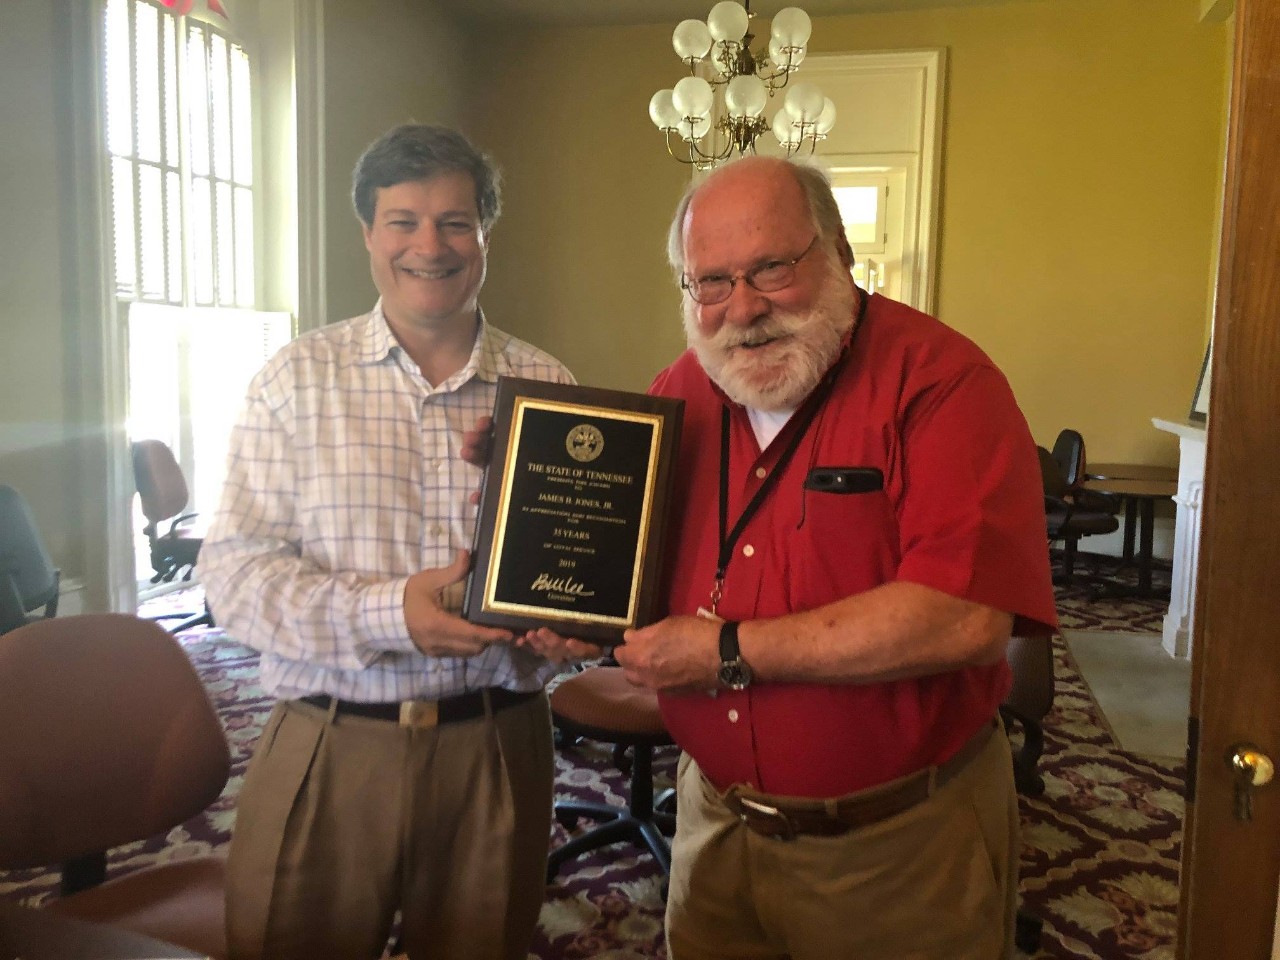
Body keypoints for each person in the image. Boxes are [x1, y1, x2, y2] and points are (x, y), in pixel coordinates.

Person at [532, 155, 1057, 959]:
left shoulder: (943, 383)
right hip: (713, 825)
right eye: (711, 282)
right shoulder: (679, 391)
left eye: (772, 268)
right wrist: (561, 581)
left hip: (897, 847)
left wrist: (727, 651)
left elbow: (964, 619)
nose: (743, 308)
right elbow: (631, 566)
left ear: (839, 253)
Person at [199, 124, 574, 960]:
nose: (429, 247)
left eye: (455, 222)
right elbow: (232, 578)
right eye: (403, 221)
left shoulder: (547, 386)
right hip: (328, 744)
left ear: (485, 235)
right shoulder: (293, 381)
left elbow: (572, 573)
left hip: (498, 745)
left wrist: (574, 627)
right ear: (368, 233)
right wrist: (389, 614)